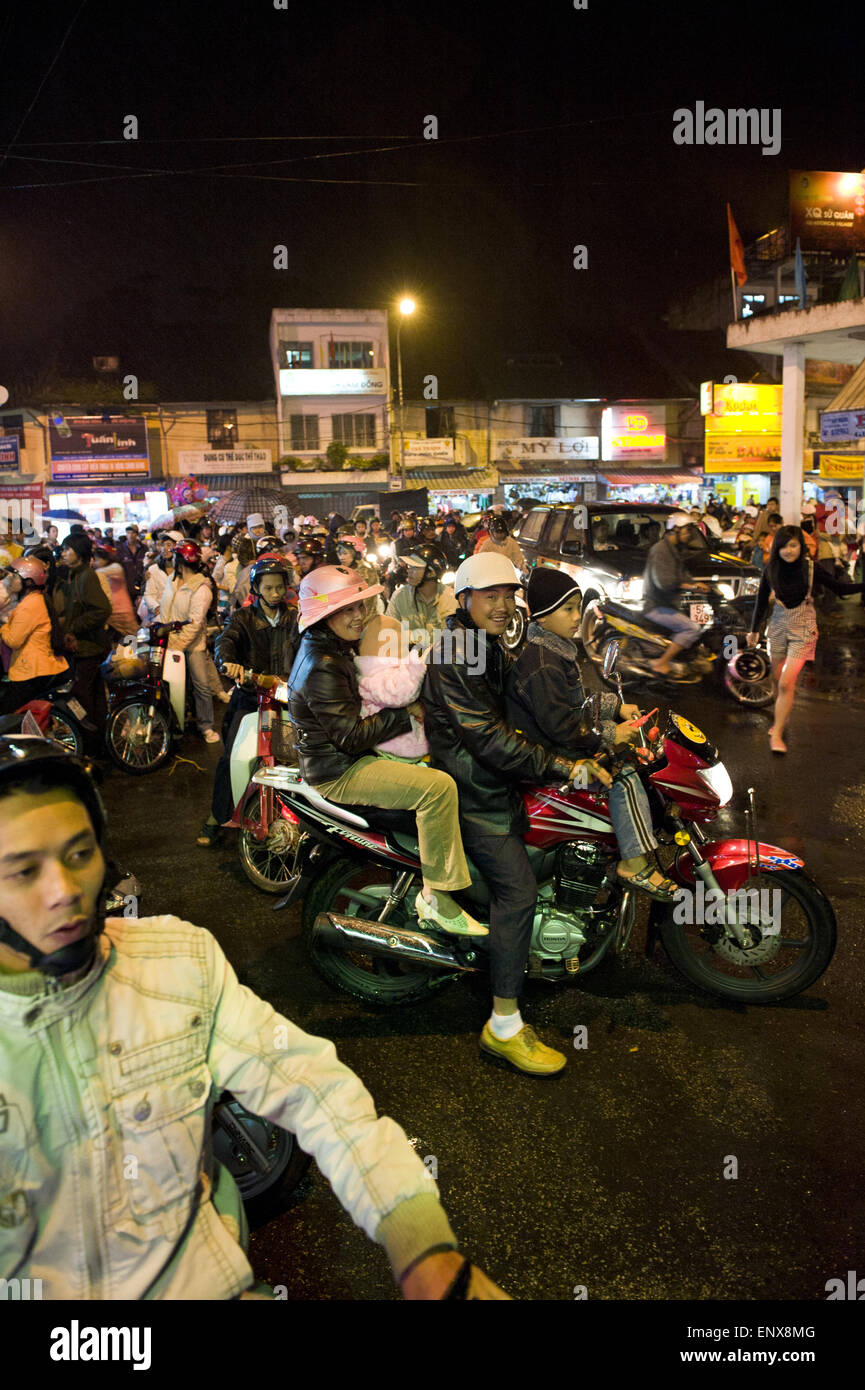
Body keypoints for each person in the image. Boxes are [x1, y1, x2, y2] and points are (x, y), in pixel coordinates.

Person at [0, 735, 508, 1300]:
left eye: (78, 854)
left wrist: (425, 1250)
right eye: (22, 872)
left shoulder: (177, 962)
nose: (63, 891)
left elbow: (313, 1087)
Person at [422, 553, 610, 1077]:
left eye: (509, 595)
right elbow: (484, 735)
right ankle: (503, 1024)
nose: (503, 605)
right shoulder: (457, 652)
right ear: (464, 600)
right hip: (476, 791)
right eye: (490, 596)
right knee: (518, 891)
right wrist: (559, 764)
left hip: (498, 778)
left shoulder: (488, 642)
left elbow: (523, 706)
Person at [287, 565, 488, 937]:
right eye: (347, 609)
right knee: (438, 788)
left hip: (343, 759)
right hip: (341, 771)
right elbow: (349, 736)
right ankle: (438, 897)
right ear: (324, 613)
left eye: (360, 606)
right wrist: (405, 713)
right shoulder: (324, 663)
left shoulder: (328, 647)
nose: (358, 615)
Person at [506, 567, 675, 899]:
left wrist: (615, 708)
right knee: (622, 774)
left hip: (554, 744)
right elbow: (565, 726)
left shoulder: (556, 651)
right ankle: (634, 863)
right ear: (541, 616)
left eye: (576, 607)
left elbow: (577, 704)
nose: (575, 617)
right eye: (567, 609)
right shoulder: (543, 663)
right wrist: (611, 736)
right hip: (545, 760)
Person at [198, 556, 301, 846]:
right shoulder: (242, 619)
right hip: (248, 698)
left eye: (279, 588)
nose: (275, 594)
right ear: (256, 588)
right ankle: (217, 816)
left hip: (285, 698)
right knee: (231, 756)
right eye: (268, 588)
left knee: (297, 757)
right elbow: (225, 641)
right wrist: (227, 661)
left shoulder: (295, 617)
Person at [746, 525, 863, 753]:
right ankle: (782, 713)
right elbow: (761, 601)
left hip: (804, 630)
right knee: (775, 676)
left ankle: (777, 732)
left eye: (793, 545)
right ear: (776, 548)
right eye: (783, 546)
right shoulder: (771, 569)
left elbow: (841, 588)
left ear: (801, 546)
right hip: (778, 626)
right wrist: (754, 630)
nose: (788, 551)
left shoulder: (811, 569)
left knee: (786, 682)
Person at [160, 540, 221, 744]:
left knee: (201, 685)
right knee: (170, 685)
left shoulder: (201, 588)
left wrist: (177, 645)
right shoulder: (171, 580)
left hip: (192, 645)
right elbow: (164, 609)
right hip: (168, 642)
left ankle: (206, 726)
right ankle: (176, 723)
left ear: (180, 560)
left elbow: (195, 624)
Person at [54, 533, 111, 749]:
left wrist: (73, 628)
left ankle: (89, 742)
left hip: (90, 648)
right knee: (95, 695)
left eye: (68, 549)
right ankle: (99, 741)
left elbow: (102, 609)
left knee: (82, 695)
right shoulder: (73, 575)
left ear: (79, 552)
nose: (64, 553)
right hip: (86, 647)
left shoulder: (87, 576)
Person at [642, 514, 712, 676]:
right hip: (657, 606)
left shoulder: (674, 550)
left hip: (669, 603)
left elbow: (683, 576)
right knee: (691, 628)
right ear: (675, 530)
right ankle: (661, 663)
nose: (689, 535)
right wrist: (693, 586)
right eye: (687, 531)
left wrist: (700, 587)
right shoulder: (660, 550)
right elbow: (664, 582)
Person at [0, 558, 69, 714]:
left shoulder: (29, 605)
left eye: (14, 576)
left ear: (28, 581)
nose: (9, 580)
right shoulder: (36, 599)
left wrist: (4, 627)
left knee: (8, 715)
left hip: (31, 670)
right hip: (39, 667)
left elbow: (13, 640)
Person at [386, 543, 456, 651]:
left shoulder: (452, 600)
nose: (408, 570)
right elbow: (388, 631)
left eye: (414, 568)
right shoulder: (399, 597)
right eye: (409, 566)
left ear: (431, 573)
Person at [93, 545, 139, 639]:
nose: (95, 563)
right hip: (112, 611)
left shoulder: (116, 567)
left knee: (133, 637)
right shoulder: (108, 569)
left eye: (97, 560)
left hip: (122, 610)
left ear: (105, 559)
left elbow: (98, 573)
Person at [117, 524, 146, 603]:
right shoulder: (120, 549)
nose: (130, 535)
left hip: (142, 586)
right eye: (128, 533)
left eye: (133, 533)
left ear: (137, 534)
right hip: (126, 587)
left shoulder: (144, 548)